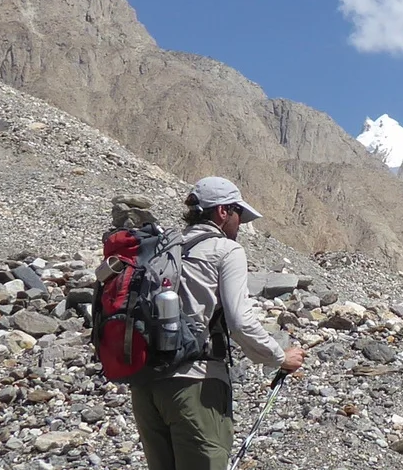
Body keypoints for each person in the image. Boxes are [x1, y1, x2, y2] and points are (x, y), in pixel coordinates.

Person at [131, 176, 306, 470]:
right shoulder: (225, 249)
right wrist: (279, 357)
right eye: (238, 214)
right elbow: (240, 322)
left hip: (144, 385)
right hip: (194, 385)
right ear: (223, 211)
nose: (240, 225)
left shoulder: (163, 248)